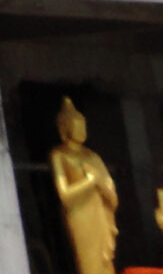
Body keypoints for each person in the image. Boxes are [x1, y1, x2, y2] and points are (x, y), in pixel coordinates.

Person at [50, 99, 119, 274]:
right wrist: (89, 181)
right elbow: (64, 196)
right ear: (65, 128)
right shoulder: (59, 154)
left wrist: (101, 185)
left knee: (106, 264)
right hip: (79, 215)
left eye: (83, 126)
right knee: (88, 264)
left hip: (100, 216)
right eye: (77, 126)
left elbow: (112, 196)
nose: (82, 130)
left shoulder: (93, 156)